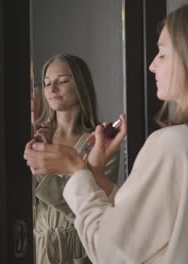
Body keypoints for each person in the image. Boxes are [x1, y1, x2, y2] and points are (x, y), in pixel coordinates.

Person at [24, 3, 188, 263]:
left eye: (162, 54)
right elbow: (158, 221)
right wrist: (95, 173)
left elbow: (109, 252)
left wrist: (76, 170)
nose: (152, 65)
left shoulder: (173, 145)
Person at [29, 54, 119, 264]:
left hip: (80, 243)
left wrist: (45, 177)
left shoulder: (100, 142)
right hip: (40, 247)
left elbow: (94, 203)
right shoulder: (38, 139)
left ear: (81, 85)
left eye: (62, 81)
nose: (52, 89)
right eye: (46, 83)